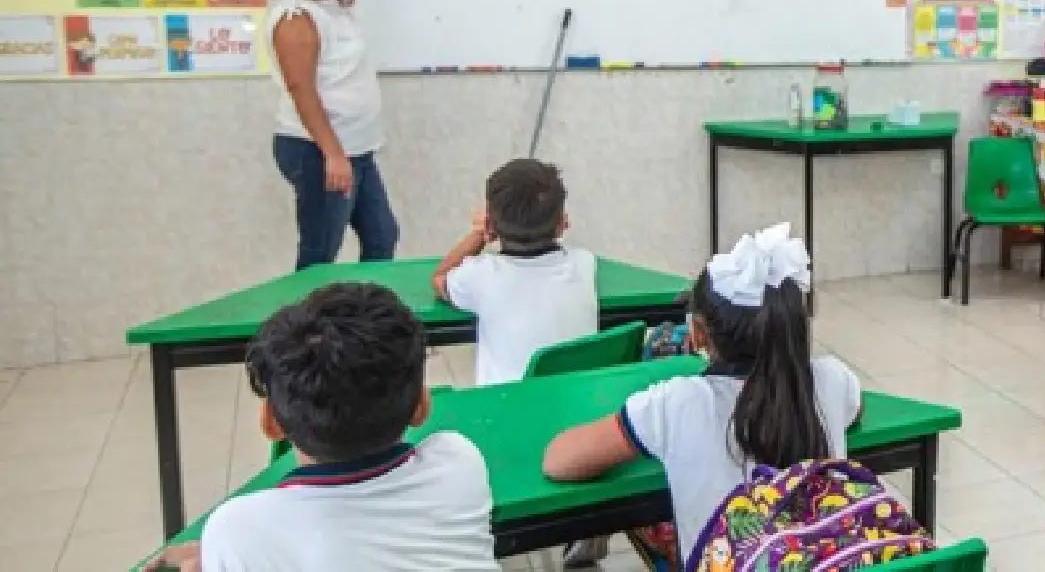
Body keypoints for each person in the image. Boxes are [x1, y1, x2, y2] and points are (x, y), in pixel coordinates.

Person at [542, 223, 862, 567]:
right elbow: (854, 411)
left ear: (697, 333)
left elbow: (559, 462)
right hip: (820, 560)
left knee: (651, 518)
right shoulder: (834, 379)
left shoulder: (674, 402)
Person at [144, 283, 500, 572]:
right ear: (422, 405)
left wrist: (225, 551)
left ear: (271, 423)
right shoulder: (459, 462)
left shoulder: (236, 528)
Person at [266, 0, 403, 271]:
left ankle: (363, 323)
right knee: (320, 252)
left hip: (355, 147)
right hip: (317, 150)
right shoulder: (296, 16)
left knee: (381, 237)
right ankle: (303, 329)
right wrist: (333, 154)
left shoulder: (331, 1)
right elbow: (301, 89)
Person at [431, 158, 598, 387]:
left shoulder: (480, 276)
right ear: (562, 223)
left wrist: (479, 235)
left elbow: (440, 279)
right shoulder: (584, 263)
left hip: (505, 411)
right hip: (578, 408)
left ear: (491, 226)